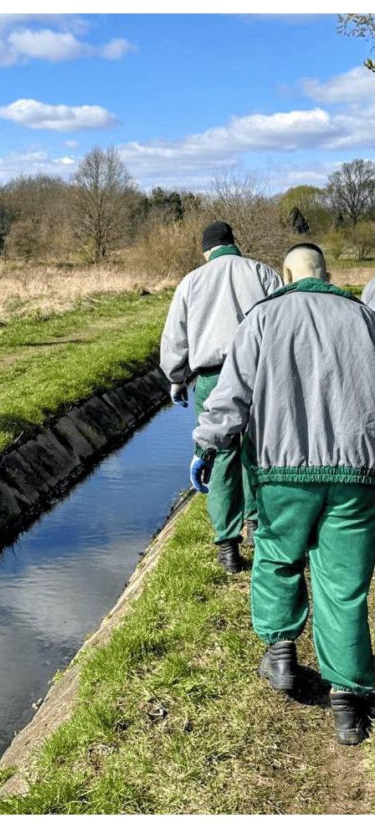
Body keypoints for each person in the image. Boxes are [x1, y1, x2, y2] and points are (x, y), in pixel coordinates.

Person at [191, 242, 375, 745]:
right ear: (327, 274)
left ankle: (280, 657)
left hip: (282, 472)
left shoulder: (261, 318)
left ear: (286, 275)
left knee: (277, 559)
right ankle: (347, 704)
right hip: (356, 476)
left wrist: (207, 447)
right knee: (344, 585)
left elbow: (231, 396)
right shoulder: (365, 318)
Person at [160, 221, 282, 573]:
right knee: (259, 451)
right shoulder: (263, 273)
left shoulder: (191, 282)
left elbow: (175, 339)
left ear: (206, 250)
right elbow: (282, 322)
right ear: (233, 243)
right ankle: (257, 526)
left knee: (220, 455)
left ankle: (228, 546)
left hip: (213, 378)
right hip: (259, 374)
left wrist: (176, 378)